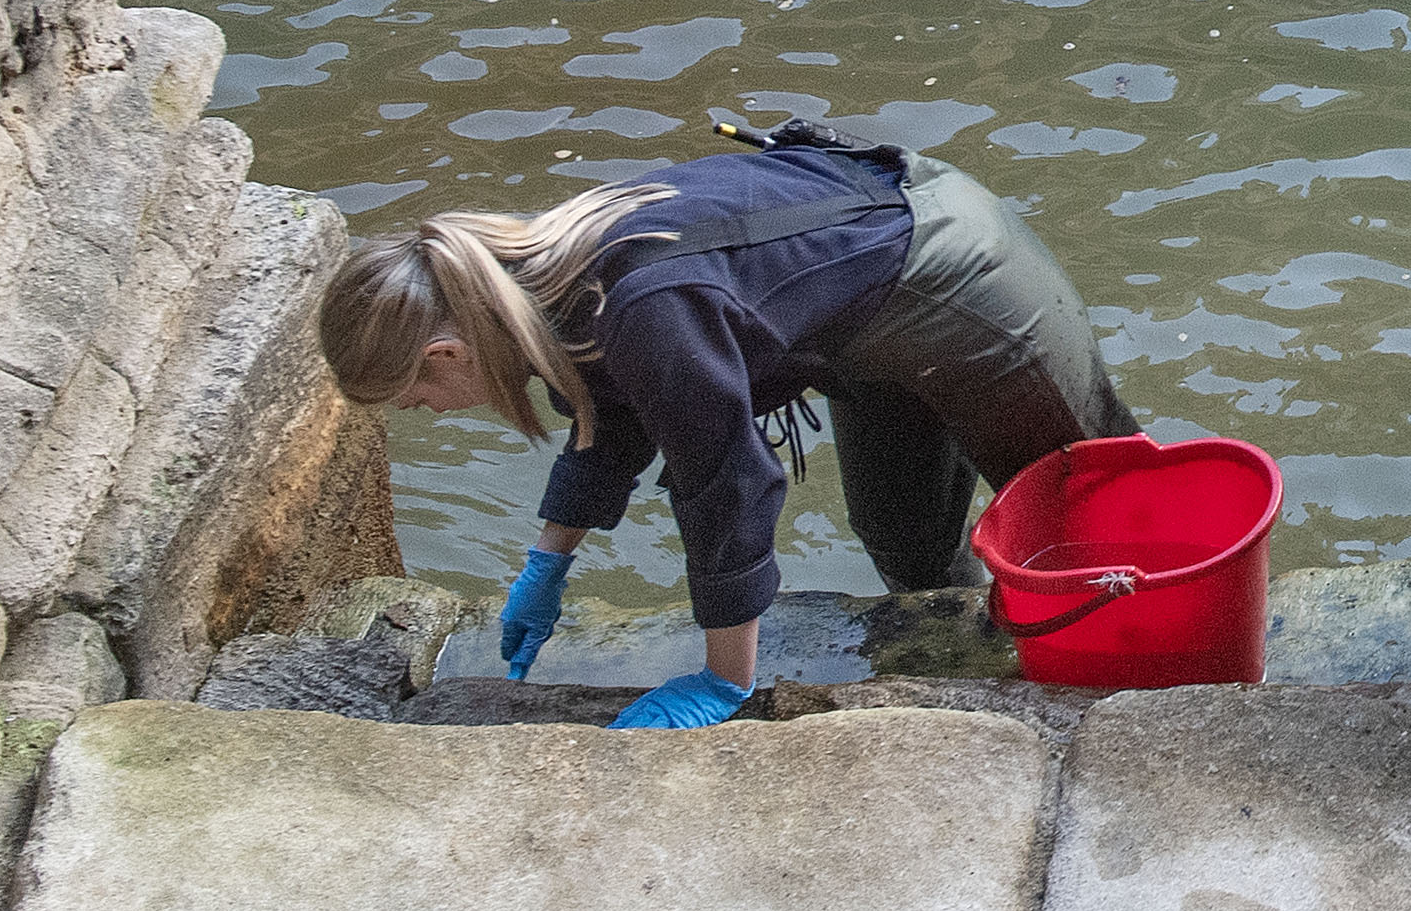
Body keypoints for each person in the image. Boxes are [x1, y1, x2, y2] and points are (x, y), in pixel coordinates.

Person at [315, 118, 1128, 725]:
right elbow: (618, 410)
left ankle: (1139, 677)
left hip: (954, 268)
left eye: (413, 399)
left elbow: (728, 487)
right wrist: (547, 561)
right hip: (854, 316)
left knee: (1087, 520)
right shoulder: (533, 285)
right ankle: (992, 664)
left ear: (448, 354)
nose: (424, 414)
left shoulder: (643, 306)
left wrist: (724, 680)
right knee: (903, 534)